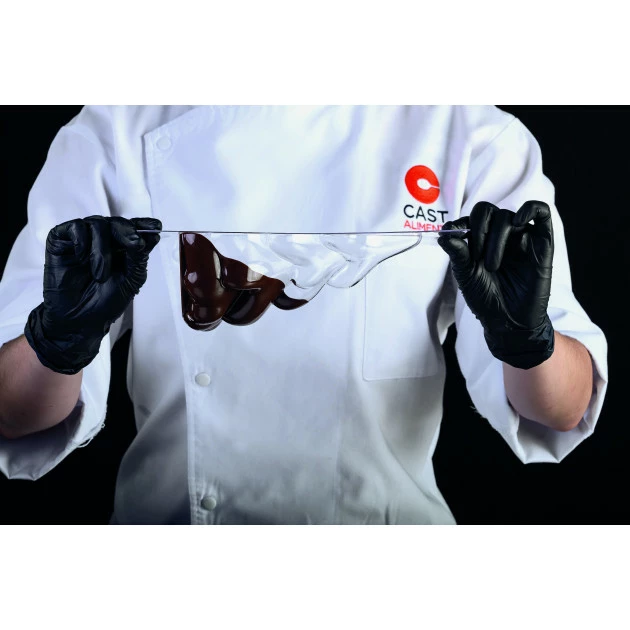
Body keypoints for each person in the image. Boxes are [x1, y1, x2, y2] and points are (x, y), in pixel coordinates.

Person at [0, 106, 608, 524]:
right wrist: (58, 342)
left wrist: (527, 340)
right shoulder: (116, 129)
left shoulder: (470, 136)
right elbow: (13, 412)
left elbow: (560, 407)